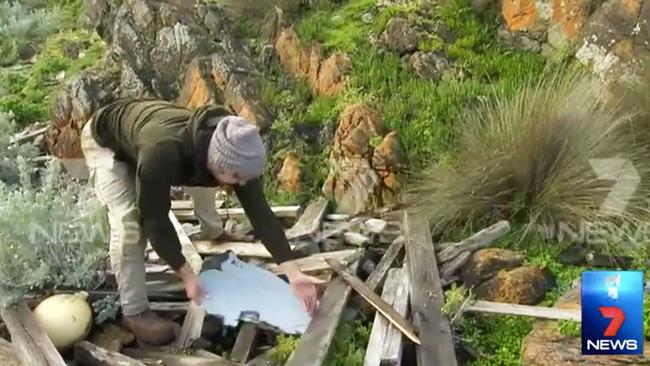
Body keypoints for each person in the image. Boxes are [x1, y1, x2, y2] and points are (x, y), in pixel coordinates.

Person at [80, 98, 323, 345]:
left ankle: (212, 232)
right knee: (129, 223)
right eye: (236, 177)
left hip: (150, 135)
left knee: (209, 182)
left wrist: (293, 272)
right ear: (218, 162)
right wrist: (186, 274)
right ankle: (135, 311)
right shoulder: (162, 154)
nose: (241, 183)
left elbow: (260, 213)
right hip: (106, 141)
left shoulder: (235, 147)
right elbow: (154, 219)